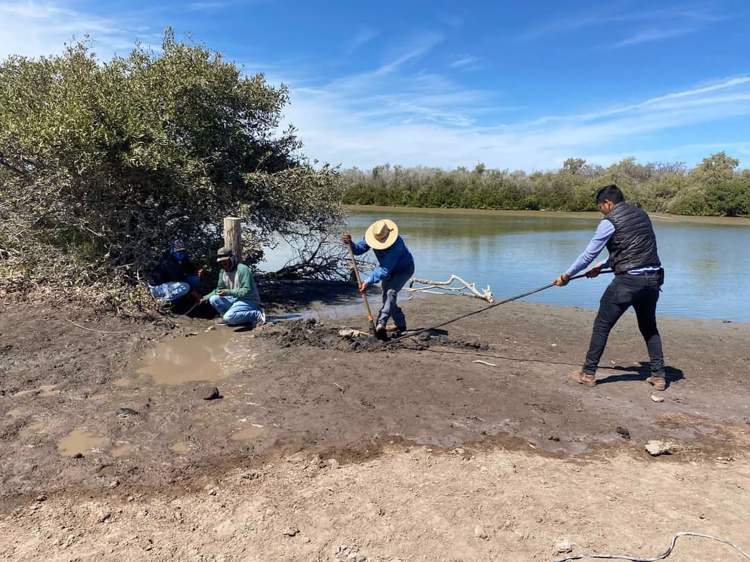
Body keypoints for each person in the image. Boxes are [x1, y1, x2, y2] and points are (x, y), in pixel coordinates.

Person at [553, 184, 667, 390]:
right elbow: (632, 248)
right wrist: (603, 265)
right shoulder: (642, 215)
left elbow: (588, 254)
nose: (602, 212)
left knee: (602, 325)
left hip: (628, 282)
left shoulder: (610, 221)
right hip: (653, 280)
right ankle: (659, 376)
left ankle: (588, 373)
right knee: (649, 327)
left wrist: (567, 276)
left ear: (608, 203)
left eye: (601, 207)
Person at [342, 219, 415, 339]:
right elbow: (360, 249)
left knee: (390, 293)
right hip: (388, 269)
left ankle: (381, 323)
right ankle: (400, 324)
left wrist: (367, 281)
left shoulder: (397, 246)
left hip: (403, 270)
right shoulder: (372, 236)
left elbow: (384, 270)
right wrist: (351, 244)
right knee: (386, 298)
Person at [202, 247, 265, 327]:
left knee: (229, 317)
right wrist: (205, 298)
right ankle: (235, 318)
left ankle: (257, 314)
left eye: (225, 261)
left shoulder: (242, 269)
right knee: (213, 299)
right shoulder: (222, 272)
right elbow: (219, 289)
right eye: (221, 262)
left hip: (249, 300)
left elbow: (247, 291)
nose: (223, 263)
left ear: (232, 258)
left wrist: (228, 292)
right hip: (235, 299)